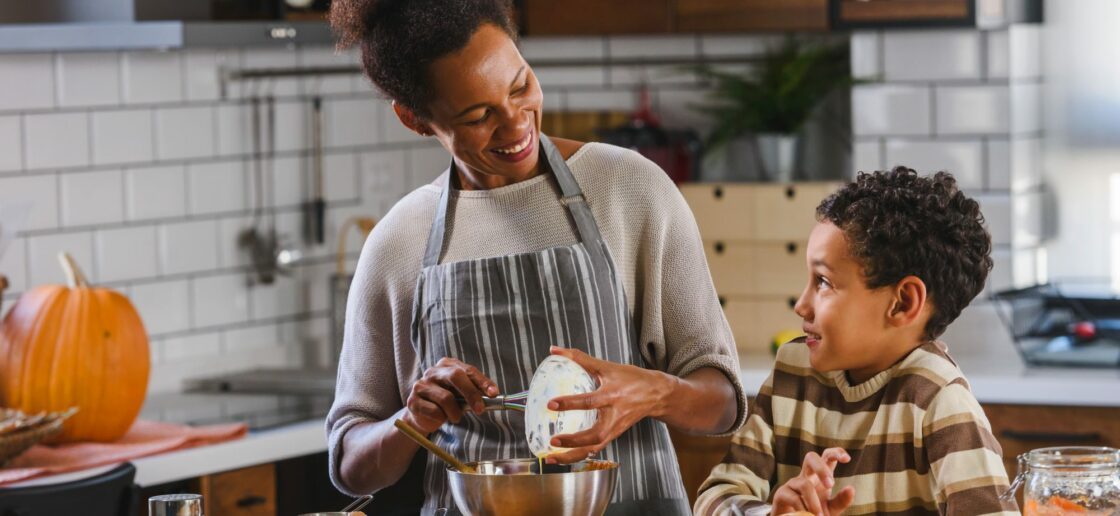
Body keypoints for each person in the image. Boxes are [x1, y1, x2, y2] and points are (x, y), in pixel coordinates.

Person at [324, 0, 747, 513]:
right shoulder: (399, 241)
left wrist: (653, 393)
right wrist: (409, 422)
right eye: (478, 116)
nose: (515, 124)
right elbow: (349, 463)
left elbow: (724, 400)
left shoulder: (628, 188)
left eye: (520, 85)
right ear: (414, 118)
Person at [694, 167, 1018, 515]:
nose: (801, 304)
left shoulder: (939, 401)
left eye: (823, 282)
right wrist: (770, 513)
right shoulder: (794, 372)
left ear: (903, 302)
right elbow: (716, 495)